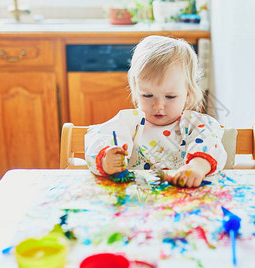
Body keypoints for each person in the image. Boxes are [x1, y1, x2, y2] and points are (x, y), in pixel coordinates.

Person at [85, 35, 227, 187]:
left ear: (188, 94)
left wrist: (197, 167)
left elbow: (210, 144)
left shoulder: (196, 124)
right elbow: (99, 139)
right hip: (137, 201)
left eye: (170, 96)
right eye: (147, 95)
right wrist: (106, 159)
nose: (158, 106)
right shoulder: (128, 122)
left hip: (183, 199)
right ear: (136, 90)